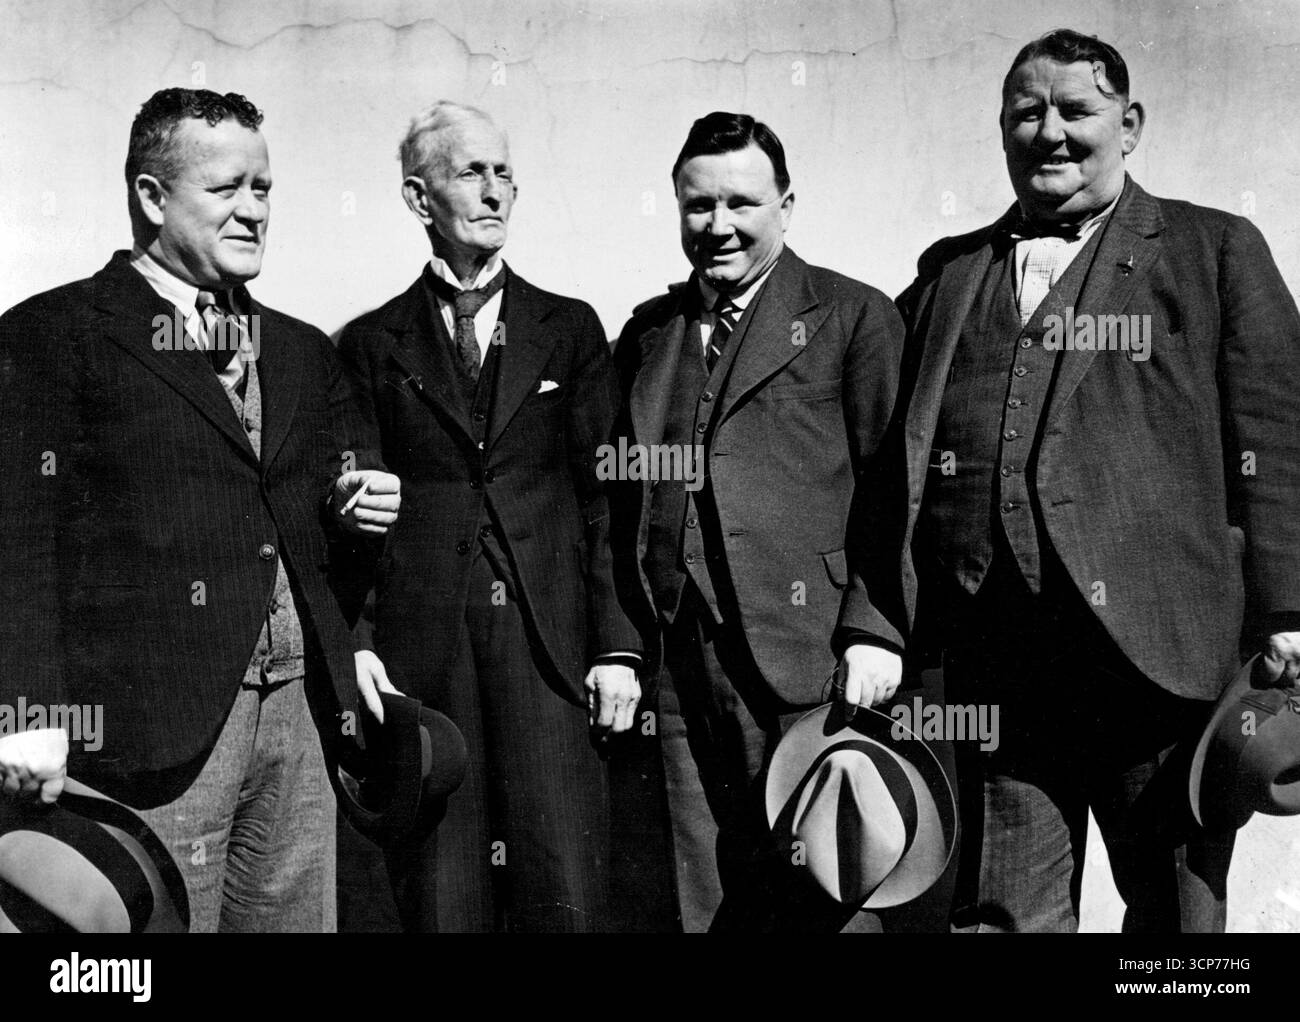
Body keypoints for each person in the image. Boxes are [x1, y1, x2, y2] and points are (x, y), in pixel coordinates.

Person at [885, 29, 1300, 932]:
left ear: (1130, 123)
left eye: (1076, 109)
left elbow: (1275, 443)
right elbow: (899, 456)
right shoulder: (948, 272)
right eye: (1026, 113)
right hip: (997, 662)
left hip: (1161, 657)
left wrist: (1287, 612)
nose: (1051, 133)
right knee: (1003, 914)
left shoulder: (1215, 249)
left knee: (1174, 917)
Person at [0, 88, 401, 932]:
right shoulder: (53, 332)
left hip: (299, 720)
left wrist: (351, 518)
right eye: (227, 190)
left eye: (263, 189)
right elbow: (17, 535)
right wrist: (27, 712)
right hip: (146, 733)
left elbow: (300, 524)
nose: (255, 210)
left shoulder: (299, 349)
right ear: (151, 197)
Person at [336, 101, 642, 932]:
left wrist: (617, 647)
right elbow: (351, 518)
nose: (496, 189)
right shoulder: (368, 345)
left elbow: (606, 498)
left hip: (550, 648)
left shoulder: (570, 330)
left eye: (505, 171)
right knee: (444, 895)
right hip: (425, 658)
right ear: (416, 195)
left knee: (563, 885)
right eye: (472, 171)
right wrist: (361, 647)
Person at [610, 111, 908, 931]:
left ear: (786, 204)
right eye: (697, 206)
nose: (718, 226)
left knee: (828, 888)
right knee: (700, 891)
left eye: (741, 203)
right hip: (679, 664)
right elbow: (620, 505)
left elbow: (896, 493)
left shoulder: (855, 317)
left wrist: (874, 630)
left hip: (808, 659)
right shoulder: (647, 334)